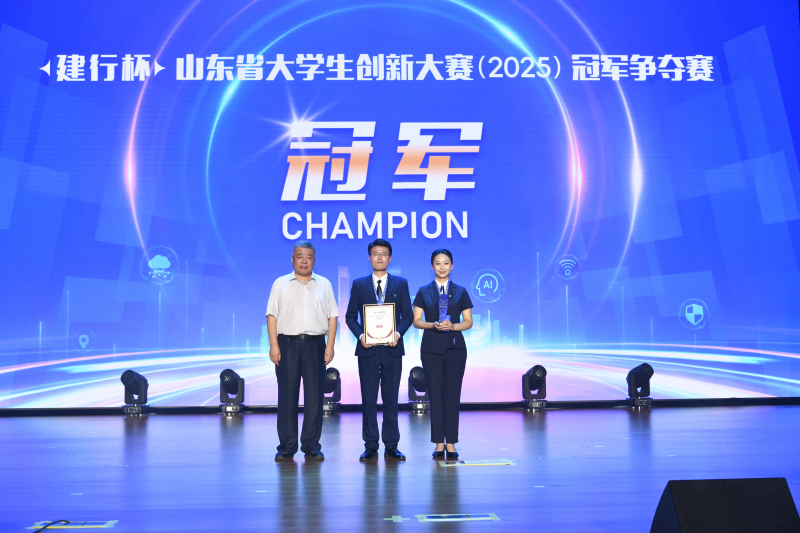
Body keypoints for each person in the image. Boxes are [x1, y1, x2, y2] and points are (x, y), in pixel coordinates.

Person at [266, 241, 337, 461]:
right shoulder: (280, 283)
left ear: (314, 261)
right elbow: (271, 315)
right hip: (286, 344)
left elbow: (332, 317)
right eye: (300, 256)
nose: (304, 261)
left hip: (316, 345)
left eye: (308, 257)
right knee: (287, 397)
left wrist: (330, 345)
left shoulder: (324, 284)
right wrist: (274, 345)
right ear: (292, 259)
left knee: (314, 398)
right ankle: (286, 446)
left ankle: (311, 445)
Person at [345, 239, 413, 461]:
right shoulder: (359, 284)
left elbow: (407, 316)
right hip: (368, 349)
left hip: (393, 348)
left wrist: (398, 333)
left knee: (391, 399)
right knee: (369, 399)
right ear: (369, 257)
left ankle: (391, 445)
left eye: (384, 254)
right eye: (375, 253)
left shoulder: (401, 284)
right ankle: (371, 445)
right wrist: (361, 335)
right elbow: (350, 317)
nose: (380, 257)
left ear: (390, 258)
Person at [412, 249, 473, 459]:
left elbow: (468, 321)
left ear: (452, 265)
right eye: (438, 263)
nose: (442, 267)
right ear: (432, 266)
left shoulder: (461, 291)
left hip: (456, 349)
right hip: (431, 348)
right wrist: (433, 324)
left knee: (452, 396)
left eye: (446, 263)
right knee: (435, 396)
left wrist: (453, 326)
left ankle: (452, 443)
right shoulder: (423, 291)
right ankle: (439, 443)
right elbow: (416, 321)